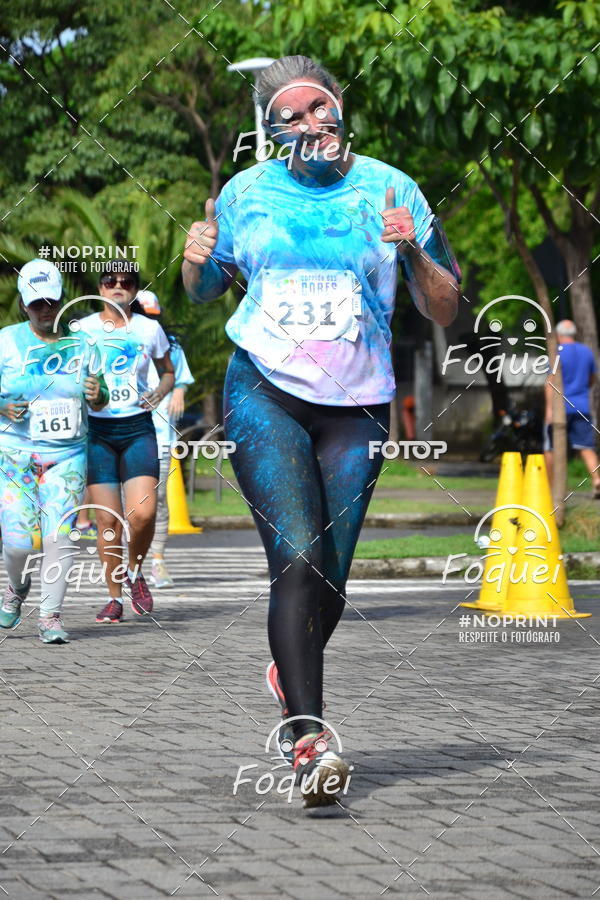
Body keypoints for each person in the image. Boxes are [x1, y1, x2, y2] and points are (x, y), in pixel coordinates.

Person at [182, 56, 460, 805]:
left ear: (341, 112)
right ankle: (308, 738)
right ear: (272, 133)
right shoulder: (247, 193)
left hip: (358, 402)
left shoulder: (392, 187)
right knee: (298, 558)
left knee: (330, 575)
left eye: (322, 110)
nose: (313, 124)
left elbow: (444, 306)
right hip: (263, 389)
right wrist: (194, 258)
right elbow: (206, 289)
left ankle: (289, 659)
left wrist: (413, 253)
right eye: (294, 117)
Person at [0, 259, 108, 643]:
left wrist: (99, 395)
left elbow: (100, 395)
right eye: (36, 303)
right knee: (18, 543)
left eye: (51, 301)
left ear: (62, 300)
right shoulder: (6, 341)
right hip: (14, 455)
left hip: (67, 456)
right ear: (23, 304)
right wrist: (2, 407)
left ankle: (50, 616)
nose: (44, 309)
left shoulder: (82, 343)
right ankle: (16, 586)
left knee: (59, 536)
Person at [78, 262, 174, 623]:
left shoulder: (150, 328)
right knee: (107, 521)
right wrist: (87, 392)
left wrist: (161, 391)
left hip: (137, 429)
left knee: (144, 513)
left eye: (126, 282)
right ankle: (114, 597)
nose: (118, 286)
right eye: (109, 281)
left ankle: (135, 571)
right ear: (100, 288)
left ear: (134, 289)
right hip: (98, 433)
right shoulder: (84, 329)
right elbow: (69, 374)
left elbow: (168, 371)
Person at [136, 290, 195, 588]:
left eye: (153, 317)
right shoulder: (116, 342)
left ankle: (157, 561)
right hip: (123, 437)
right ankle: (127, 565)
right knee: (127, 507)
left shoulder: (171, 347)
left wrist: (181, 390)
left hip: (159, 438)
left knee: (157, 501)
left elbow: (180, 375)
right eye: (144, 315)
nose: (150, 322)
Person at [544, 319, 600, 497]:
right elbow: (593, 379)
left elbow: (550, 383)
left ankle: (551, 485)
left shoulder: (557, 353)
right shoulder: (586, 352)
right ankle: (597, 479)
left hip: (560, 408)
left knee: (551, 447)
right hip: (582, 406)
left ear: (559, 335)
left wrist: (549, 410)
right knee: (586, 446)